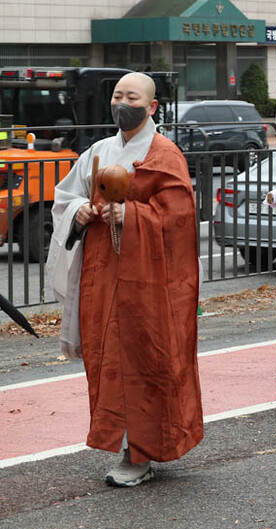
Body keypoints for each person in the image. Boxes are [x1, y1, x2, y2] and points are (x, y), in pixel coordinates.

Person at [46, 72, 202, 487]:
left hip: (148, 282)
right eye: (117, 95)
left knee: (144, 360)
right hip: (103, 275)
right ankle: (125, 444)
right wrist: (80, 210)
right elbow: (65, 198)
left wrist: (132, 215)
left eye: (132, 97)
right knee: (107, 360)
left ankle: (142, 452)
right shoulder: (99, 150)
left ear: (151, 107)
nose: (122, 103)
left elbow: (181, 219)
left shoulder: (165, 155)